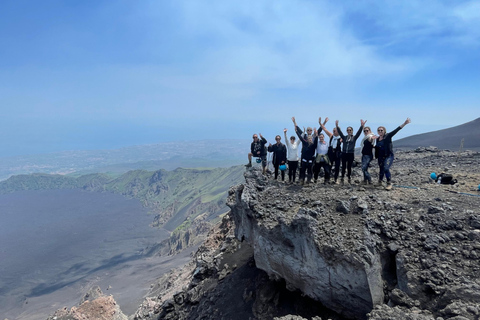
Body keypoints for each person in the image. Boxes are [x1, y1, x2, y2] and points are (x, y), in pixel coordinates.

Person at [375, 118, 411, 190]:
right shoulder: (377, 139)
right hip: (380, 156)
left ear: (384, 131)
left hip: (388, 155)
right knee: (381, 169)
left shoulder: (388, 136)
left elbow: (397, 130)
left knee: (386, 168)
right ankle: (380, 181)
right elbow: (378, 147)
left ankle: (389, 183)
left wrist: (404, 123)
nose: (380, 131)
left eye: (381, 130)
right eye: (379, 130)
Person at [336, 119, 365, 184]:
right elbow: (340, 133)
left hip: (350, 154)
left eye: (350, 130)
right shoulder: (344, 137)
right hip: (344, 153)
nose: (349, 131)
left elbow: (359, 133)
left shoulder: (354, 137)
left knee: (349, 166)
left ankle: (349, 177)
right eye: (348, 130)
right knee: (343, 166)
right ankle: (342, 178)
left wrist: (362, 126)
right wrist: (337, 126)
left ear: (352, 131)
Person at [292, 117, 316, 185]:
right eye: (308, 130)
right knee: (302, 168)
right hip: (304, 155)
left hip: (311, 156)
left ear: (311, 131)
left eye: (310, 130)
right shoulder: (304, 136)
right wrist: (294, 122)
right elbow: (298, 130)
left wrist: (322, 123)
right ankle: (301, 179)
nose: (309, 131)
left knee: (310, 169)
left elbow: (318, 133)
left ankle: (309, 179)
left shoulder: (314, 137)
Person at [319, 118, 342, 184]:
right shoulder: (331, 136)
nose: (334, 132)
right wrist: (322, 122)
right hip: (331, 153)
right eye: (333, 130)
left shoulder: (341, 137)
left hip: (337, 154)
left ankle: (336, 179)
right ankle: (327, 179)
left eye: (335, 130)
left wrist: (337, 125)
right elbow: (324, 129)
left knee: (337, 167)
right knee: (328, 166)